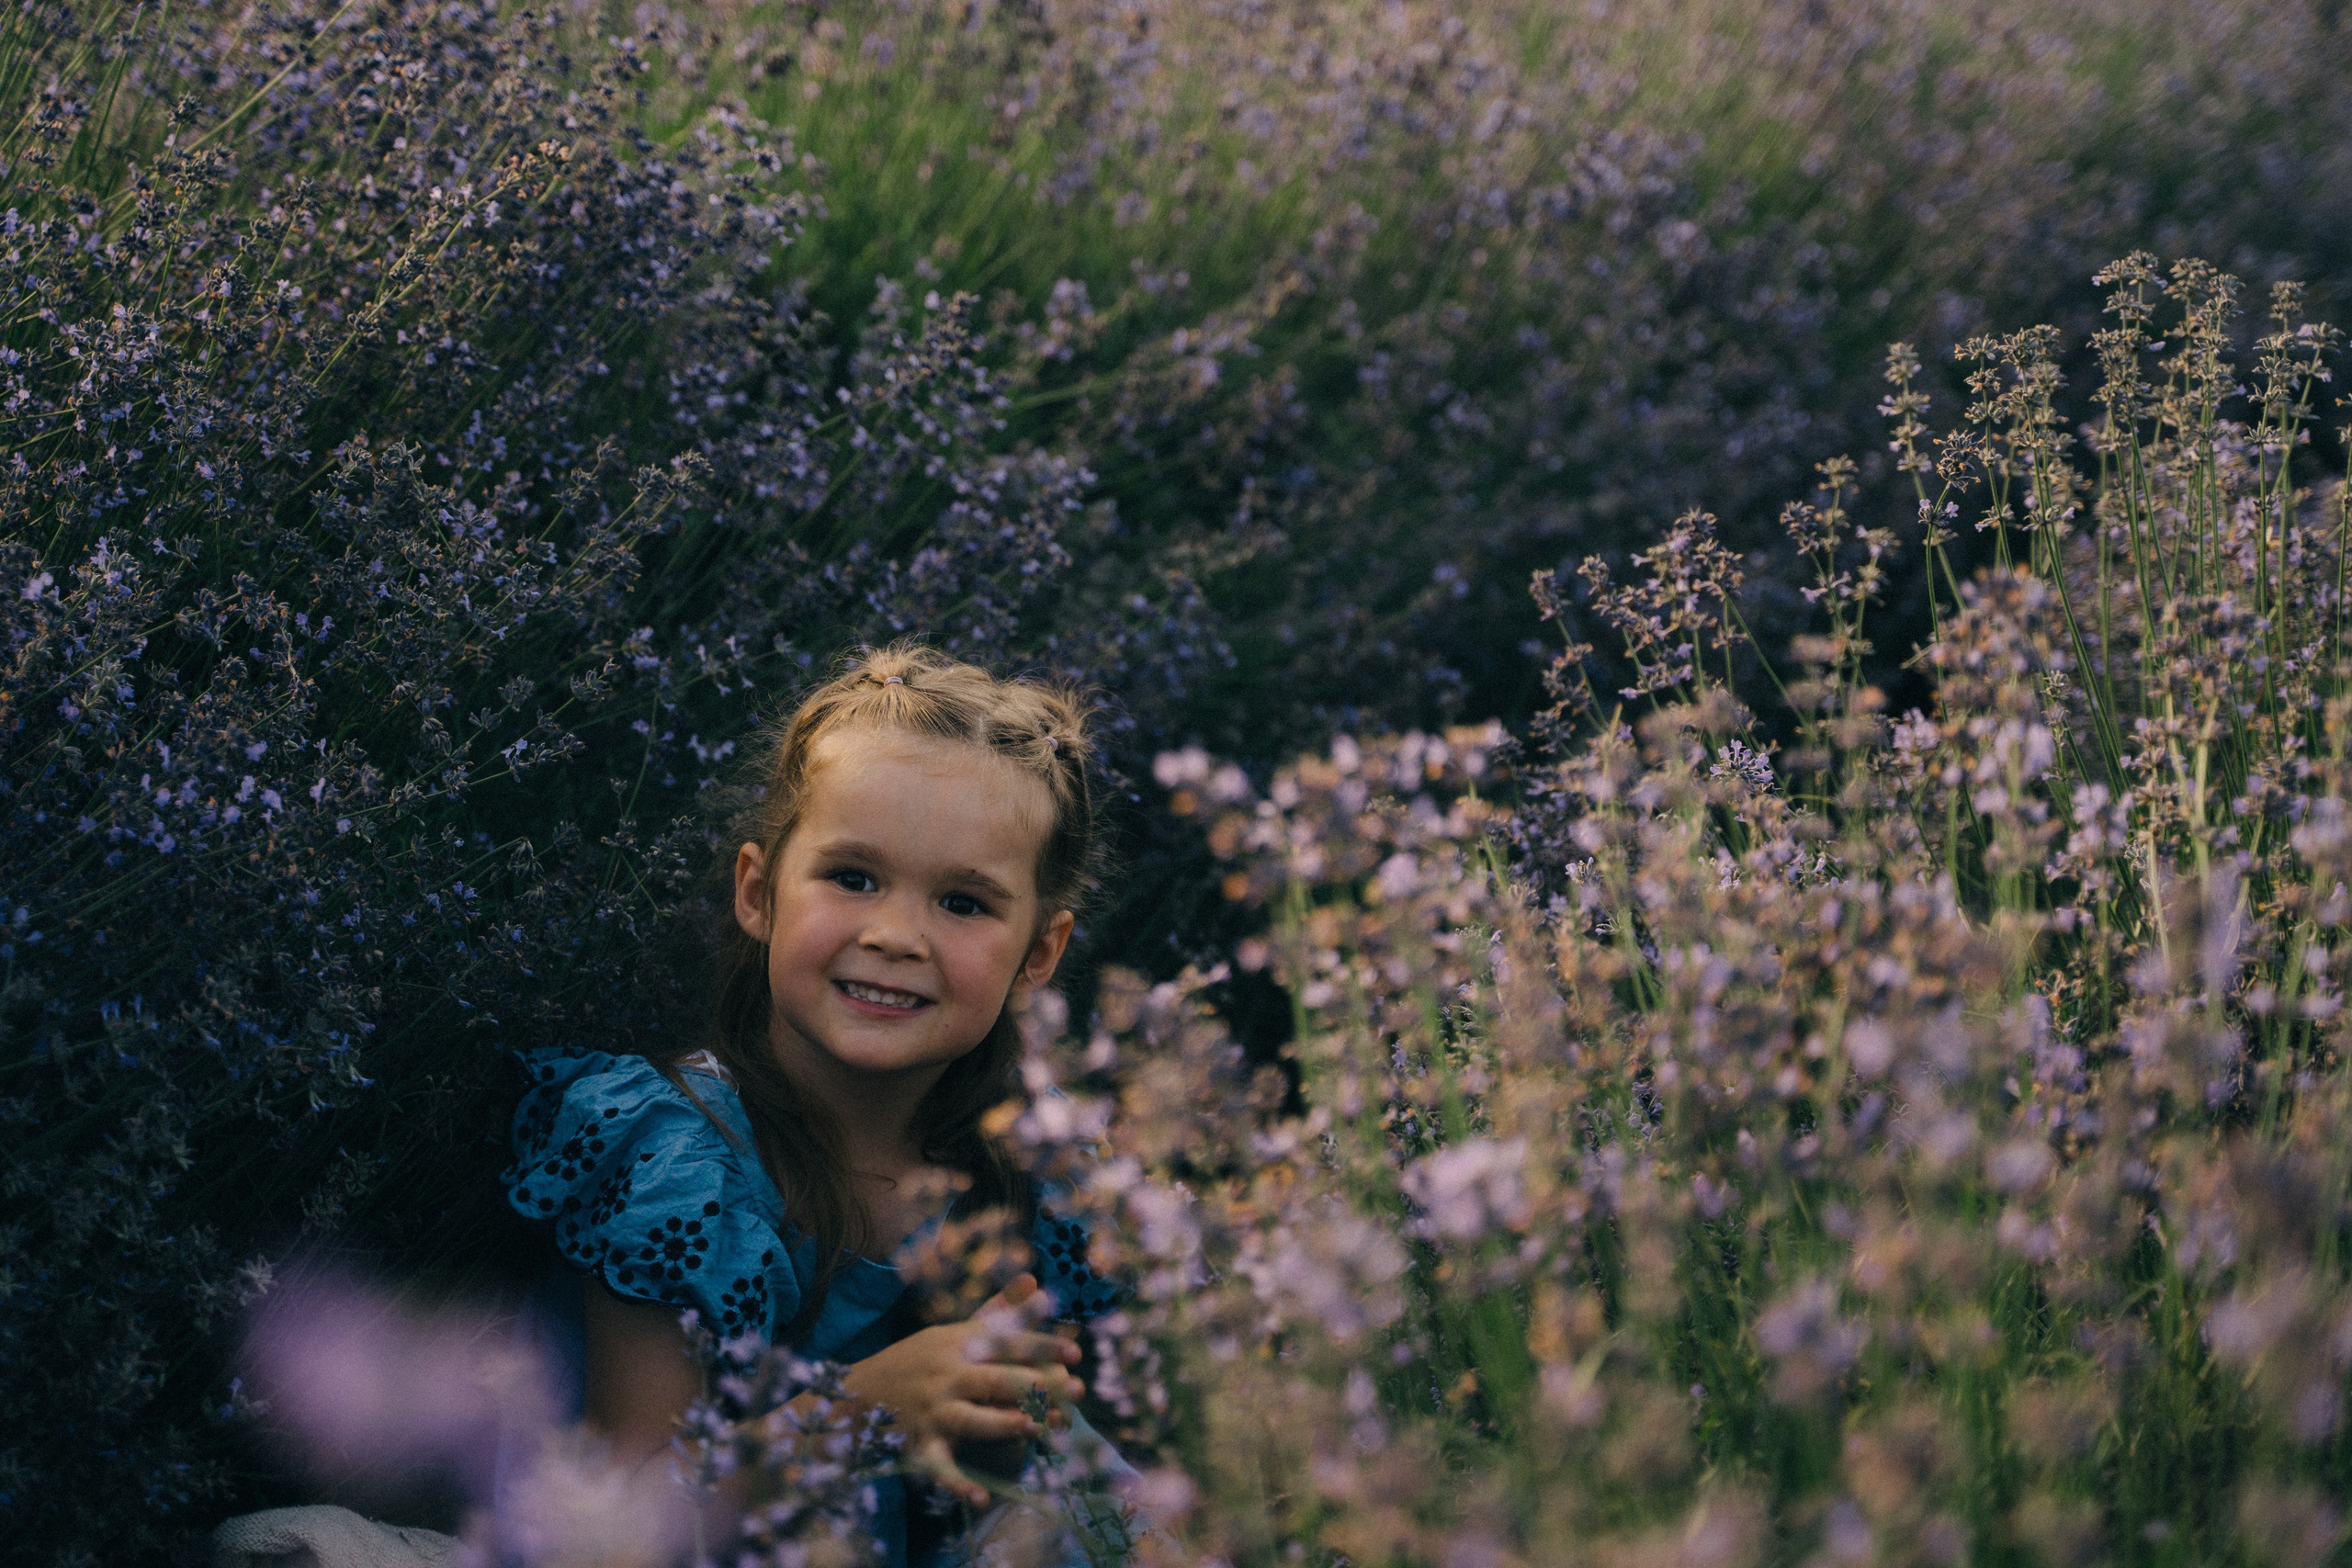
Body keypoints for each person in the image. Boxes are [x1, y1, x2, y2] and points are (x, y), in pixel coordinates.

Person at [500, 646, 1126, 1566]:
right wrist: (866, 1409)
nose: (894, 935)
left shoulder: (1031, 1168)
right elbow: (623, 1531)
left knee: (1098, 1505)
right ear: (759, 891)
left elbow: (1021, 1475)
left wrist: (993, 1424)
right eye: (853, 877)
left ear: (1039, 953)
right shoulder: (676, 1161)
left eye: (962, 901)